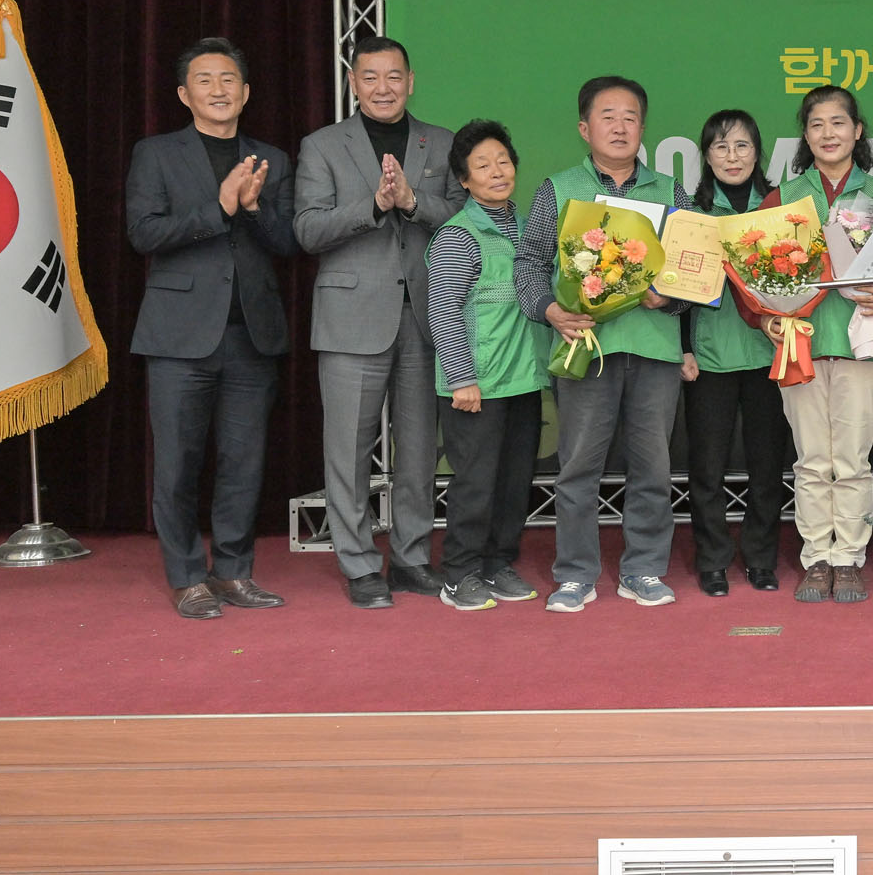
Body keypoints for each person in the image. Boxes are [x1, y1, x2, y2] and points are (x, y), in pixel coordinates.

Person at [125, 38, 297, 620]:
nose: (218, 89)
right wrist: (219, 208)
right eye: (205, 80)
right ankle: (186, 577)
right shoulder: (156, 153)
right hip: (178, 337)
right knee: (177, 464)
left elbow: (288, 242)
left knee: (243, 464)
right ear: (184, 94)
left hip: (252, 336)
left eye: (228, 80)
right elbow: (143, 233)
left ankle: (232, 571)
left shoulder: (272, 158)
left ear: (246, 93)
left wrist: (252, 209)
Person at [294, 35, 463, 608]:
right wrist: (373, 206)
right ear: (353, 83)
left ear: (411, 81)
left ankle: (412, 559)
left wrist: (413, 202)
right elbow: (307, 229)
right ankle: (361, 565)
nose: (383, 87)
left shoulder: (441, 142)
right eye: (370, 77)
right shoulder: (322, 145)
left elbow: (465, 215)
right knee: (348, 450)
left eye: (394, 76)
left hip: (426, 317)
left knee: (419, 451)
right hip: (350, 317)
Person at [513, 77, 690, 614]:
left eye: (630, 117)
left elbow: (694, 271)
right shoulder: (559, 188)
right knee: (578, 468)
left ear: (643, 129)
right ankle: (574, 574)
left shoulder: (671, 192)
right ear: (584, 128)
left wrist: (669, 298)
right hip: (584, 348)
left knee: (652, 469)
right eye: (607, 116)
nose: (619, 126)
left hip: (654, 350)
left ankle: (643, 569)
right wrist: (550, 310)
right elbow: (530, 262)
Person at [744, 87, 873, 604]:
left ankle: (849, 558)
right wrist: (764, 318)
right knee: (812, 459)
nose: (828, 133)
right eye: (817, 124)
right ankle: (817, 556)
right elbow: (750, 274)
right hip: (801, 344)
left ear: (857, 132)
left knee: (853, 460)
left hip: (861, 341)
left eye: (838, 123)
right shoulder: (784, 198)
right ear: (805, 135)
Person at [426, 120, 550, 611]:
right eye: (482, 165)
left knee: (514, 482)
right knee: (475, 484)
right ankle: (459, 574)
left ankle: (498, 564)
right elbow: (443, 309)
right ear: (464, 179)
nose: (497, 172)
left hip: (524, 379)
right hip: (476, 384)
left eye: (503, 161)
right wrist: (462, 378)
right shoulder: (458, 235)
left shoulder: (528, 230)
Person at [679, 110, 790, 598]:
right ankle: (713, 560)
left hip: (771, 353)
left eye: (742, 145)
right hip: (710, 357)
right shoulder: (691, 212)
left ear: (757, 151)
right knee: (707, 467)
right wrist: (684, 347)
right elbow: (677, 289)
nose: (732, 156)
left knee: (768, 465)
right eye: (721, 146)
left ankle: (761, 558)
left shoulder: (778, 208)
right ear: (706, 156)